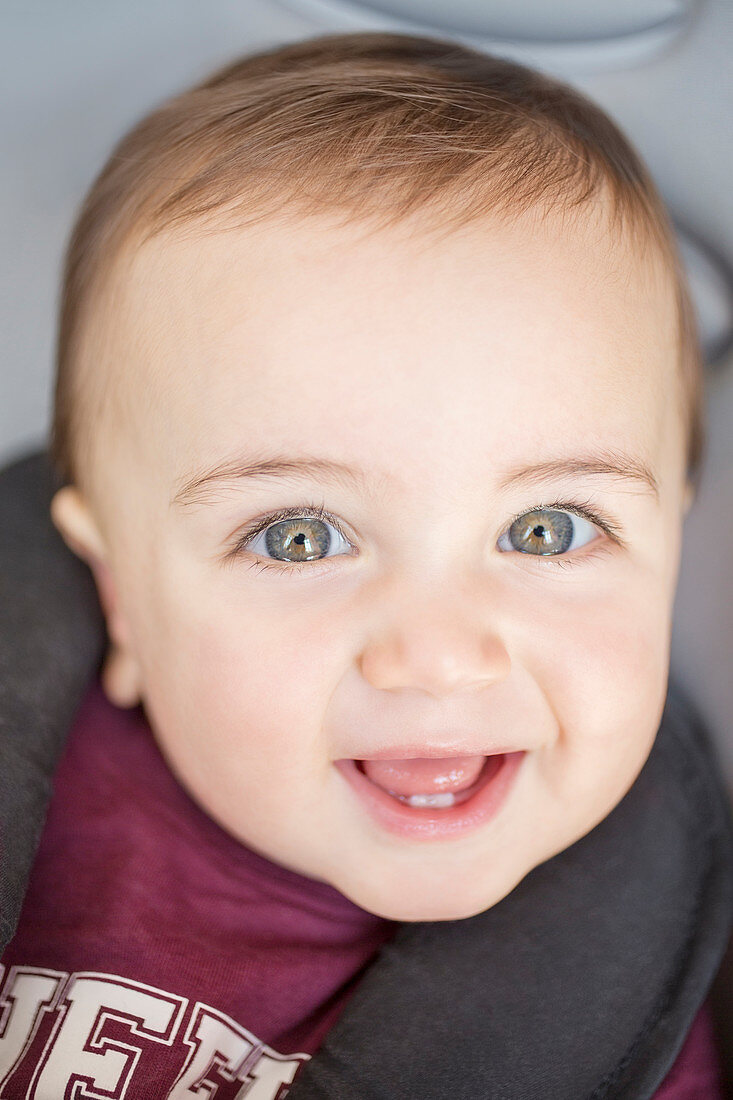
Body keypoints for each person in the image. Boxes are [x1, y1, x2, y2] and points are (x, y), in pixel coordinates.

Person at [0, 30, 731, 1099]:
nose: (436, 658)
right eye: (299, 536)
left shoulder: (642, 1015)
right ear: (121, 599)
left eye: (548, 530)